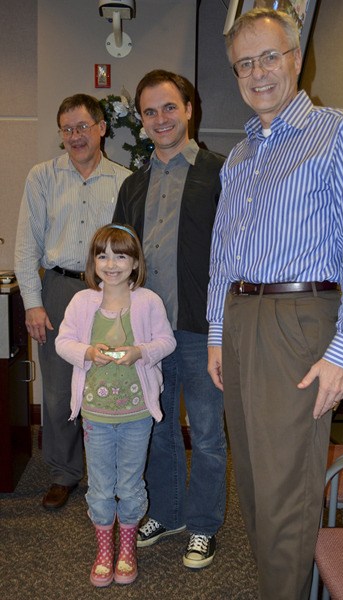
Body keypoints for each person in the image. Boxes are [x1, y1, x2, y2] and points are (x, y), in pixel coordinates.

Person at [207, 9, 343, 600]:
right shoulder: (240, 157)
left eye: (269, 57)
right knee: (254, 481)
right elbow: (221, 256)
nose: (257, 73)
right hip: (240, 318)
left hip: (299, 322)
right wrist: (214, 335)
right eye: (243, 64)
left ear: (297, 57)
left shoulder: (338, 131)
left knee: (286, 488)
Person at [113, 70, 227, 569]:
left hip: (201, 329)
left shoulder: (220, 173)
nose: (160, 119)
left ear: (189, 109)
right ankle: (168, 513)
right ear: (142, 120)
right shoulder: (134, 184)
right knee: (155, 428)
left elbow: (234, 253)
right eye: (150, 112)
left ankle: (203, 526)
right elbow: (118, 257)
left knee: (205, 432)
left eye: (169, 108)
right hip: (147, 334)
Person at [14, 94, 131, 510]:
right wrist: (33, 302)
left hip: (109, 291)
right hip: (58, 291)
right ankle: (64, 473)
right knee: (60, 391)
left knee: (111, 384)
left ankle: (113, 475)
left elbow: (133, 247)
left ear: (102, 128)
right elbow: (27, 245)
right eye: (67, 129)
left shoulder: (124, 180)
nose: (75, 136)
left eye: (83, 127)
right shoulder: (42, 177)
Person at [55, 223, 176, 587]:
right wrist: (88, 353)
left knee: (131, 482)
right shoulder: (82, 302)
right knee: (101, 486)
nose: (111, 263)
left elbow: (166, 341)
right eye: (102, 255)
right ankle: (105, 551)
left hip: (137, 414)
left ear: (135, 261)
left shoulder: (148, 301)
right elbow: (64, 342)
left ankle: (127, 550)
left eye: (120, 255)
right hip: (96, 415)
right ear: (93, 262)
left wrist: (141, 352)